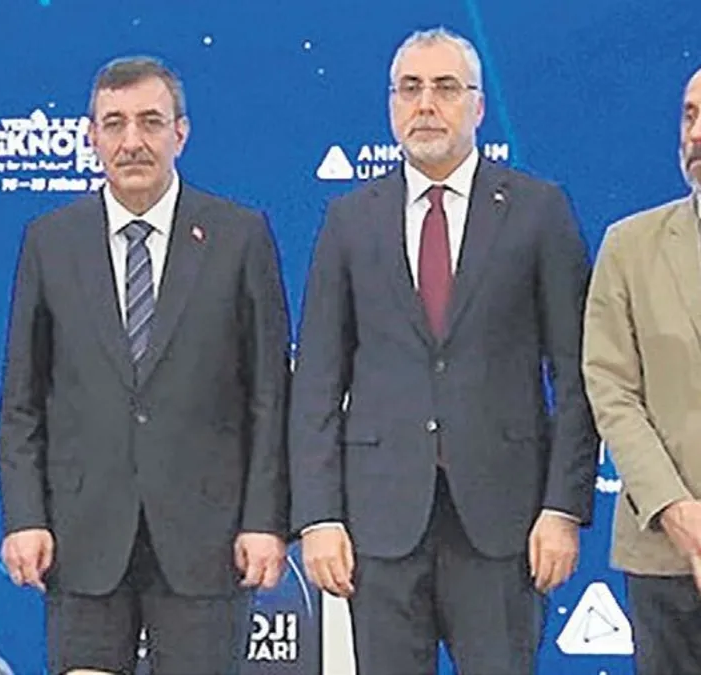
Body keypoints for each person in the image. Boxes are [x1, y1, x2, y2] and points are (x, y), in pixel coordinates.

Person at [289, 27, 598, 674]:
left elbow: (577, 376)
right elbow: (317, 379)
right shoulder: (350, 220)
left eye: (445, 88)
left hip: (504, 524)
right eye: (410, 89)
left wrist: (563, 507)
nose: (426, 104)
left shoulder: (538, 211)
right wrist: (318, 516)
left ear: (478, 106)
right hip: (380, 524)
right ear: (391, 105)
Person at [0, 55, 290, 674]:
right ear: (91, 136)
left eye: (150, 122)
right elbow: (23, 399)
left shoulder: (239, 236)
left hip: (206, 539)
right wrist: (25, 517)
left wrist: (266, 521)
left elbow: (269, 395)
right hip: (82, 539)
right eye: (115, 123)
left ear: (180, 133)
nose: (132, 141)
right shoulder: (50, 241)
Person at [582, 65, 701, 674]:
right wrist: (677, 510)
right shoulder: (629, 246)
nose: (696, 134)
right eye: (690, 115)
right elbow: (612, 391)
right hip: (663, 552)